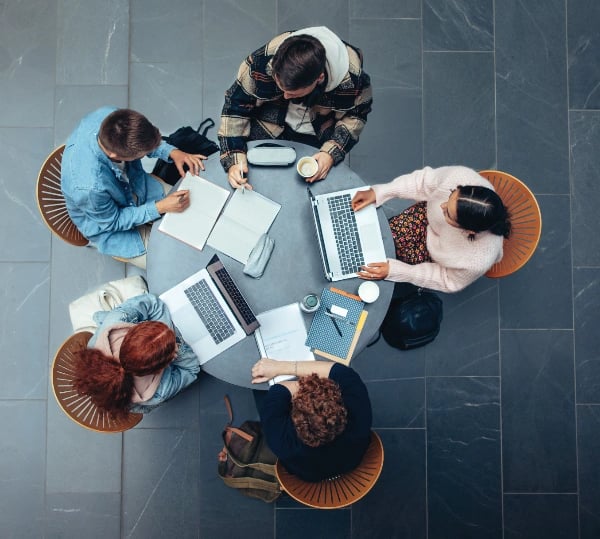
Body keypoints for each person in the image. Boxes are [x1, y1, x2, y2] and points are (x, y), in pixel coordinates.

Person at [218, 26, 372, 190]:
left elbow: (357, 116)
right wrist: (234, 157)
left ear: (319, 78)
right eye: (281, 88)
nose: (285, 96)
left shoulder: (354, 80)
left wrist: (330, 153)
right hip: (267, 125)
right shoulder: (261, 62)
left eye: (292, 93)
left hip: (319, 133)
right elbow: (235, 106)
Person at [61, 107, 207, 268]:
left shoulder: (112, 118)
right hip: (113, 228)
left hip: (136, 187)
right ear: (115, 156)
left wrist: (173, 152)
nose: (146, 154)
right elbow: (113, 222)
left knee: (197, 209)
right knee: (177, 261)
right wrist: (159, 208)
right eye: (141, 155)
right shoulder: (89, 189)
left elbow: (146, 143)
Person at [351, 166, 512, 293]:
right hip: (425, 220)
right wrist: (379, 192)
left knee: (383, 273)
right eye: (450, 195)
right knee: (382, 237)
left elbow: (446, 280)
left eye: (448, 214)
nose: (442, 205)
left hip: (437, 256)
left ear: (470, 231)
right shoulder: (460, 177)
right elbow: (422, 182)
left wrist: (398, 271)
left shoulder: (475, 261)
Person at [72, 293, 200, 418]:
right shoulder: (160, 392)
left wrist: (165, 339)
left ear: (131, 331)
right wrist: (178, 344)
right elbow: (191, 370)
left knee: (107, 317)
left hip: (112, 394)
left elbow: (152, 302)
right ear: (159, 368)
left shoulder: (115, 321)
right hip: (136, 401)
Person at [251, 359, 372, 482]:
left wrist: (280, 368)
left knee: (260, 393)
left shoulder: (281, 437)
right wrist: (312, 385)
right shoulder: (357, 405)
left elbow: (280, 389)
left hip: (309, 475)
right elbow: (337, 370)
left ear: (296, 415)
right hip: (350, 461)